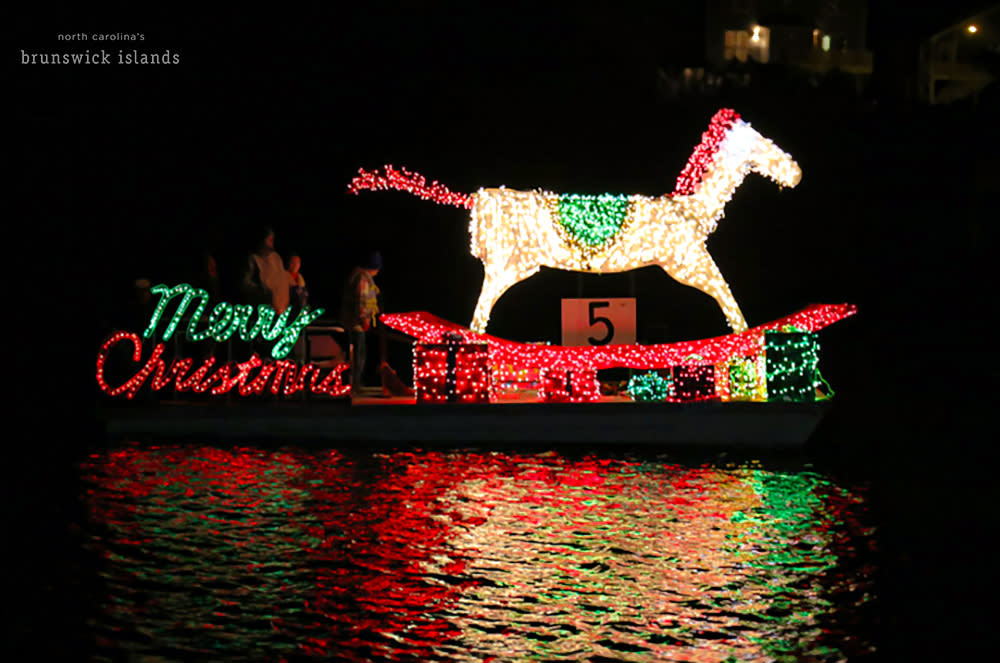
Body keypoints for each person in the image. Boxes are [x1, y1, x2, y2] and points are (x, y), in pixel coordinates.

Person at [340, 250, 382, 390]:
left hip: (353, 321)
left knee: (356, 353)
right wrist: (364, 318)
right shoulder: (363, 279)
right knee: (359, 355)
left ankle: (354, 382)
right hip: (357, 323)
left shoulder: (358, 276)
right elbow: (361, 300)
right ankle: (356, 384)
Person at [242, 227, 290, 314]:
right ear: (262, 240)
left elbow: (282, 281)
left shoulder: (276, 259)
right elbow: (245, 284)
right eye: (269, 240)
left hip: (279, 311)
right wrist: (264, 292)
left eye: (272, 240)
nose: (272, 243)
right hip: (261, 311)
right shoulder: (253, 259)